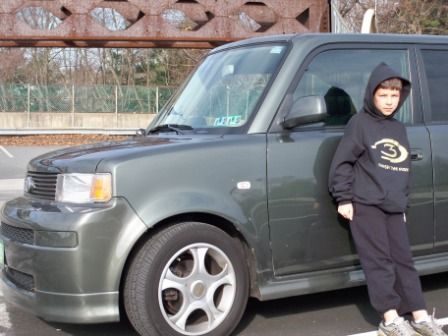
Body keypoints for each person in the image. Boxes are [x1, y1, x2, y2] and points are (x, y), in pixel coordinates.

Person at [328, 62, 447, 336]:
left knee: (404, 260)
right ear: (372, 94)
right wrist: (343, 198)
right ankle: (390, 319)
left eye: (394, 96)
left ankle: (418, 315)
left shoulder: (397, 128)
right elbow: (342, 163)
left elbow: (403, 169)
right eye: (383, 95)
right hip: (365, 204)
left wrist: (402, 203)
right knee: (378, 261)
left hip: (393, 206)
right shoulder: (359, 124)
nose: (389, 101)